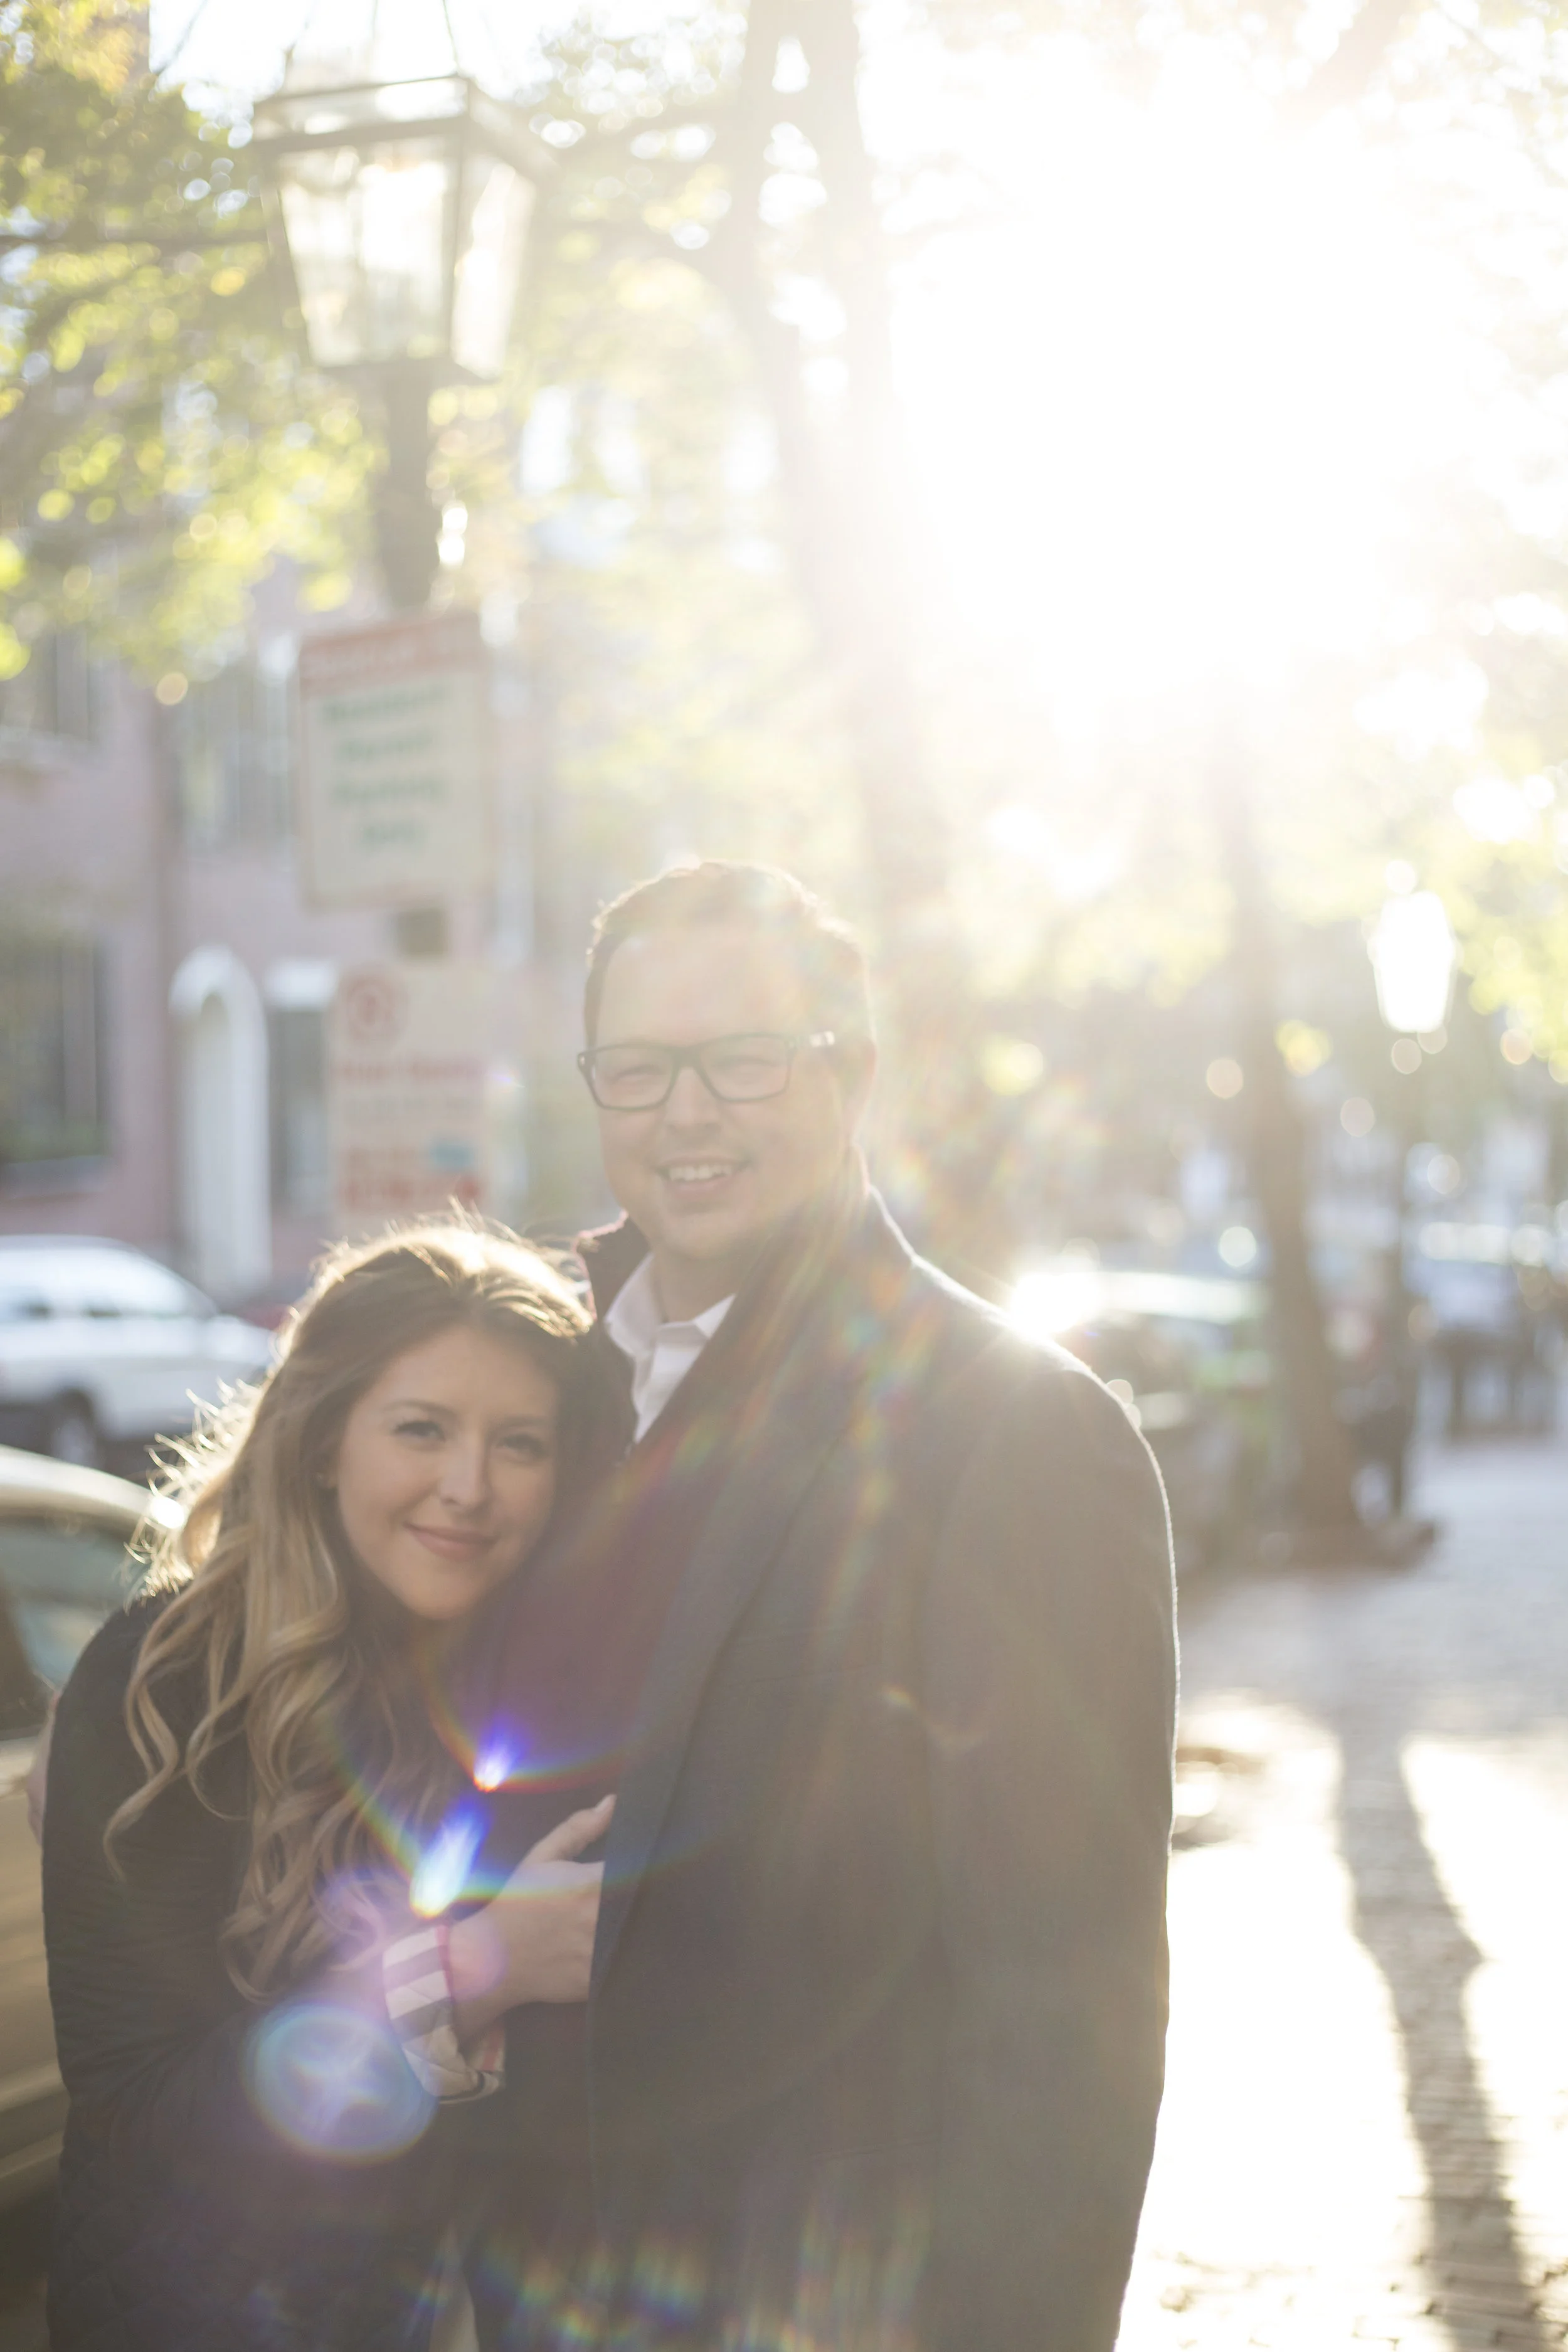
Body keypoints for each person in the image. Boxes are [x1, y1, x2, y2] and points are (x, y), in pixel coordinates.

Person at [462, 863, 1177, 2351]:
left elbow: (1063, 2005)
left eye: (743, 1059)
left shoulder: (1011, 1426)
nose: (684, 1113)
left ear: (848, 1073)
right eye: (637, 1068)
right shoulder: (531, 1380)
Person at [42, 1220, 622, 2352]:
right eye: (421, 1429)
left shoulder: (555, 1690)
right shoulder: (169, 1688)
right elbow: (139, 2102)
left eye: (520, 1443)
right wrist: (474, 1970)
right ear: (321, 1442)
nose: (468, 1486)